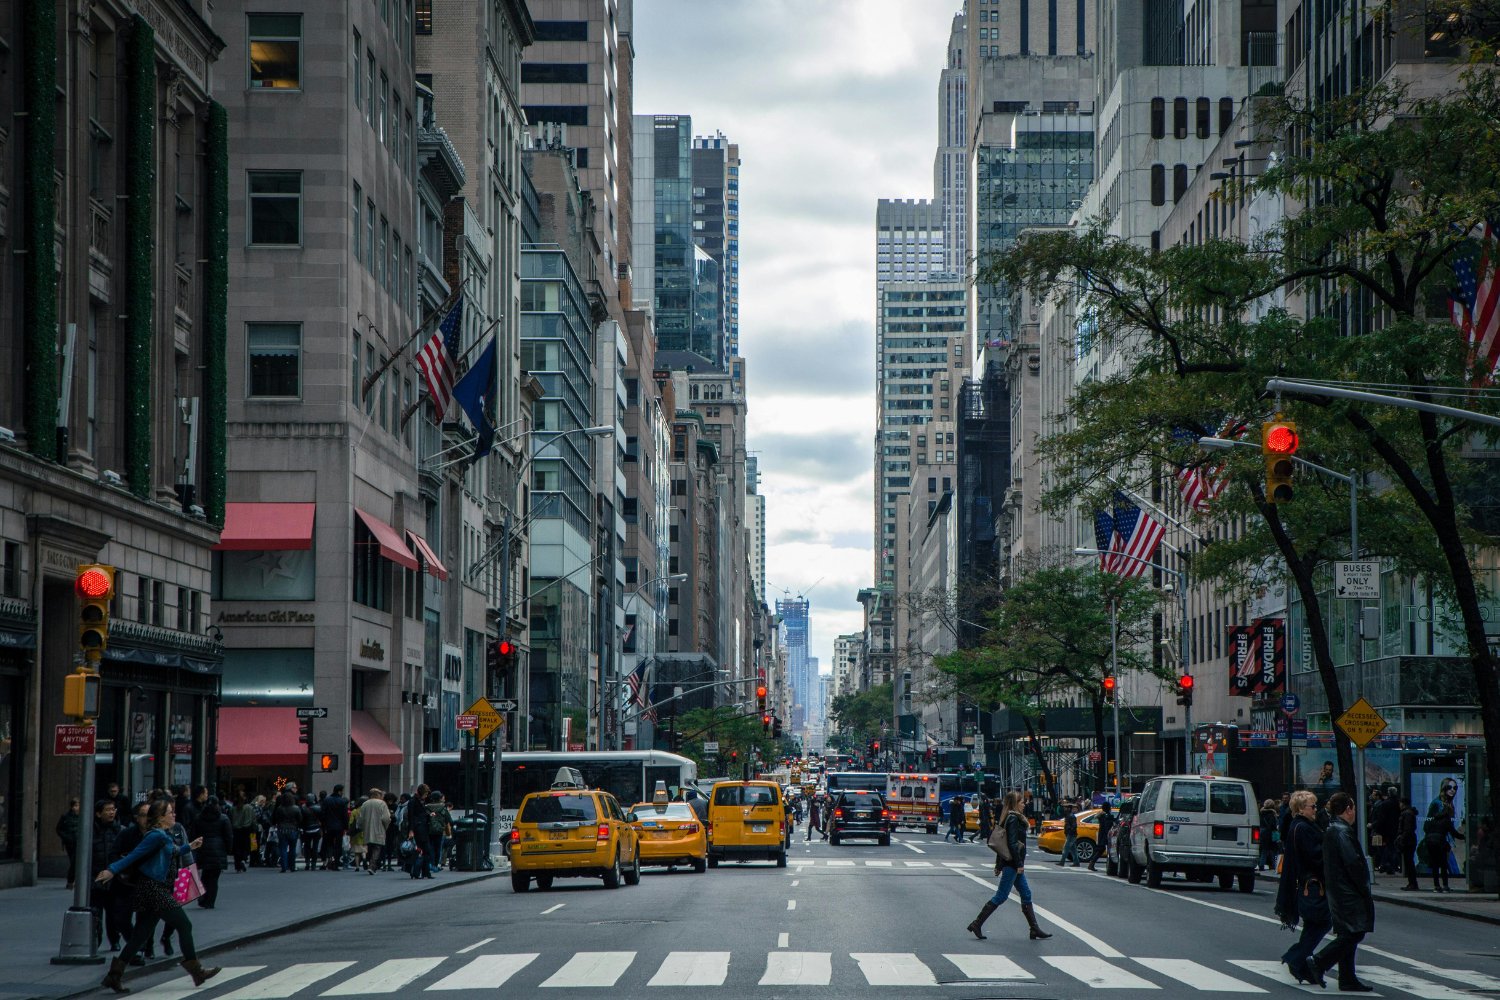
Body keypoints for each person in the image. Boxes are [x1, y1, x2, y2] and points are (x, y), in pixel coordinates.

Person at [95, 799, 221, 993]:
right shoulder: (156, 836)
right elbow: (134, 855)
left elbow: (174, 851)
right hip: (154, 889)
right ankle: (197, 971)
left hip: (152, 889)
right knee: (184, 924)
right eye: (170, 813)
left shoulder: (163, 835)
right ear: (161, 818)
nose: (174, 816)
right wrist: (112, 870)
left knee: (139, 936)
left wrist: (191, 846)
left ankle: (114, 976)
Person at [1304, 792, 1373, 992]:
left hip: (1339, 890)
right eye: (1353, 808)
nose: (1354, 813)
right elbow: (1353, 863)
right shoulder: (1342, 832)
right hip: (1348, 892)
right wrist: (1363, 887)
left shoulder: (1333, 829)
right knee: (1354, 932)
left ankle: (1347, 978)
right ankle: (1319, 962)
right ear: (1348, 809)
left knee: (1348, 932)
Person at [966, 790, 1051, 941]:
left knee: (1026, 894)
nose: (1024, 804)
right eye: (1022, 802)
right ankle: (977, 923)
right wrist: (1018, 864)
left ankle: (1034, 929)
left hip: (1012, 863)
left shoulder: (1011, 818)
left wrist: (999, 864)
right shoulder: (1013, 819)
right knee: (1001, 896)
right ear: (1015, 804)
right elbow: (1011, 843)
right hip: (1013, 864)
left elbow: (1003, 844)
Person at [1275, 790, 1330, 984]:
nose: (1316, 809)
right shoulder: (1303, 828)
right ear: (1300, 808)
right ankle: (1296, 958)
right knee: (1323, 921)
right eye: (1312, 806)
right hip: (1312, 884)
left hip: (1308, 883)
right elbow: (1314, 856)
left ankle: (1300, 963)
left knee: (1314, 925)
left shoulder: (1300, 826)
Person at [89, 800, 129, 952]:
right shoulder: (90, 831)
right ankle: (96, 940)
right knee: (95, 913)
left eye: (113, 809)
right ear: (99, 813)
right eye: (107, 810)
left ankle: (115, 940)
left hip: (115, 880)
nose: (111, 812)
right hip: (96, 878)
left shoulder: (121, 830)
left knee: (113, 914)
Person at [188, 797, 231, 909]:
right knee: (214, 878)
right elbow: (228, 836)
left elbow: (193, 834)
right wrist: (228, 849)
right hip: (218, 849)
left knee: (206, 874)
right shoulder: (223, 818)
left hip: (203, 848)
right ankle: (210, 901)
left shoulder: (199, 818)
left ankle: (203, 897)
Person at [1423, 799, 1464, 893]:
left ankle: (1436, 886)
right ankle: (1445, 885)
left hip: (1430, 842)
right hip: (1440, 843)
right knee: (1443, 865)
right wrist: (1464, 837)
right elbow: (1453, 833)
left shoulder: (1435, 819)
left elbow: (1426, 828)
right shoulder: (1446, 820)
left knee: (1435, 865)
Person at [355, 788, 390, 873]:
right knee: (377, 847)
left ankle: (369, 863)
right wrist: (385, 827)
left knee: (370, 847)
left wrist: (359, 826)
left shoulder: (365, 804)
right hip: (379, 828)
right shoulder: (382, 803)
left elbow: (360, 818)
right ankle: (372, 865)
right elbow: (386, 818)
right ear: (378, 795)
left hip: (367, 829)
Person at [321, 784, 350, 871]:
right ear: (339, 791)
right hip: (339, 827)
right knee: (338, 845)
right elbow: (345, 816)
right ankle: (336, 863)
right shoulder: (342, 801)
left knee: (328, 844)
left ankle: (329, 859)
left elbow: (323, 814)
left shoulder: (326, 800)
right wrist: (346, 826)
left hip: (328, 826)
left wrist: (324, 825)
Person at [272, 791, 301, 873]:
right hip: (293, 829)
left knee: (283, 848)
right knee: (292, 848)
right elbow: (300, 819)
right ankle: (292, 866)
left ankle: (284, 866)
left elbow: (276, 818)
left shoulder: (280, 808)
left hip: (282, 829)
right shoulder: (296, 808)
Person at [57, 797, 82, 889]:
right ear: (72, 807)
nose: (77, 807)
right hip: (70, 843)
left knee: (76, 861)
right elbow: (59, 829)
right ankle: (71, 881)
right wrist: (67, 837)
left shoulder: (83, 816)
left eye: (78, 805)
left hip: (80, 842)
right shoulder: (65, 816)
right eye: (75, 806)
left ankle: (74, 880)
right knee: (73, 861)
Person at [426, 791, 453, 871]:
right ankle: (435, 865)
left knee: (430, 847)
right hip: (439, 830)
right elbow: (449, 820)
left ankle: (430, 863)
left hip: (429, 830)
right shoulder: (443, 808)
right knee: (438, 848)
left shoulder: (427, 807)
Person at [1395, 798, 1419, 890]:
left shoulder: (1407, 813)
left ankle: (1412, 883)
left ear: (1403, 804)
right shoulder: (1409, 813)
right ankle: (1412, 883)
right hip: (1409, 840)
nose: (1399, 805)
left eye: (1400, 803)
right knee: (1409, 862)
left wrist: (1402, 839)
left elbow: (1407, 829)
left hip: (1408, 841)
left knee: (1409, 862)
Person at [230, 790, 256, 872]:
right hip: (247, 829)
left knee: (237, 848)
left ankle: (238, 865)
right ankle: (243, 860)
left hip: (236, 829)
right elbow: (253, 820)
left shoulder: (232, 809)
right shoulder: (249, 808)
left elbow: (230, 819)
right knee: (246, 847)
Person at [1089, 801, 1114, 872]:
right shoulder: (1106, 816)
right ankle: (1092, 863)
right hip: (1105, 835)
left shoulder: (1102, 815)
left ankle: (1092, 863)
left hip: (1101, 834)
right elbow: (1107, 826)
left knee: (1101, 849)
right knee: (1102, 849)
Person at [1259, 799, 1280, 871]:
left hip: (1263, 833)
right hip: (1271, 834)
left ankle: (1261, 865)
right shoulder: (1272, 814)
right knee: (1275, 851)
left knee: (1264, 851)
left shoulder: (1261, 814)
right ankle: (1275, 866)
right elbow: (1273, 825)